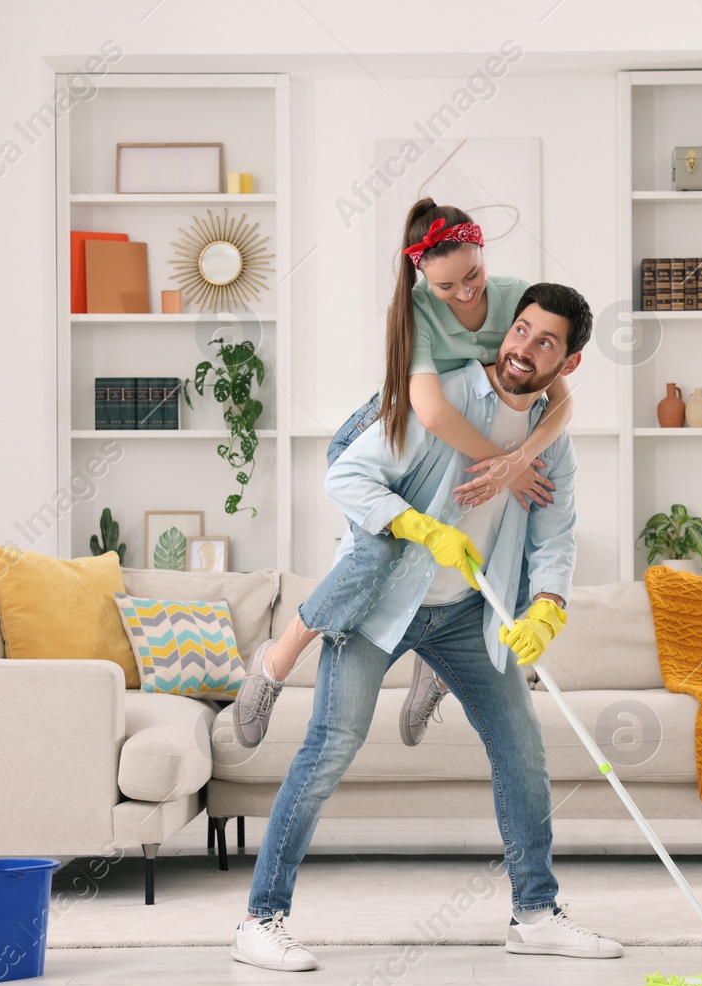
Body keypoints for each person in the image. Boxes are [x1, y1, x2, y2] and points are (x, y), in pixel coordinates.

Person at [230, 282, 623, 971]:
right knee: (328, 749)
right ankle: (261, 919)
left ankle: (535, 912)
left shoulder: (550, 443)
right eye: (522, 330)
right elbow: (347, 477)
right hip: (384, 603)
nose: (525, 348)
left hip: (470, 614)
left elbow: (555, 537)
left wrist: (548, 609)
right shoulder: (439, 398)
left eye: (546, 342)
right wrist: (423, 529)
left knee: (522, 753)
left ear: (570, 363)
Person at [231, 199, 576, 750]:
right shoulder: (413, 310)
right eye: (446, 287)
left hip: (457, 439)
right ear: (422, 278)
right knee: (377, 553)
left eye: (472, 276)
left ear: (483, 250)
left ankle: (433, 665)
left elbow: (560, 398)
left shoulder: (517, 299)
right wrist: (502, 465)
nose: (464, 294)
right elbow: (433, 414)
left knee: (504, 553)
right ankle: (275, 661)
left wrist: (516, 464)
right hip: (391, 431)